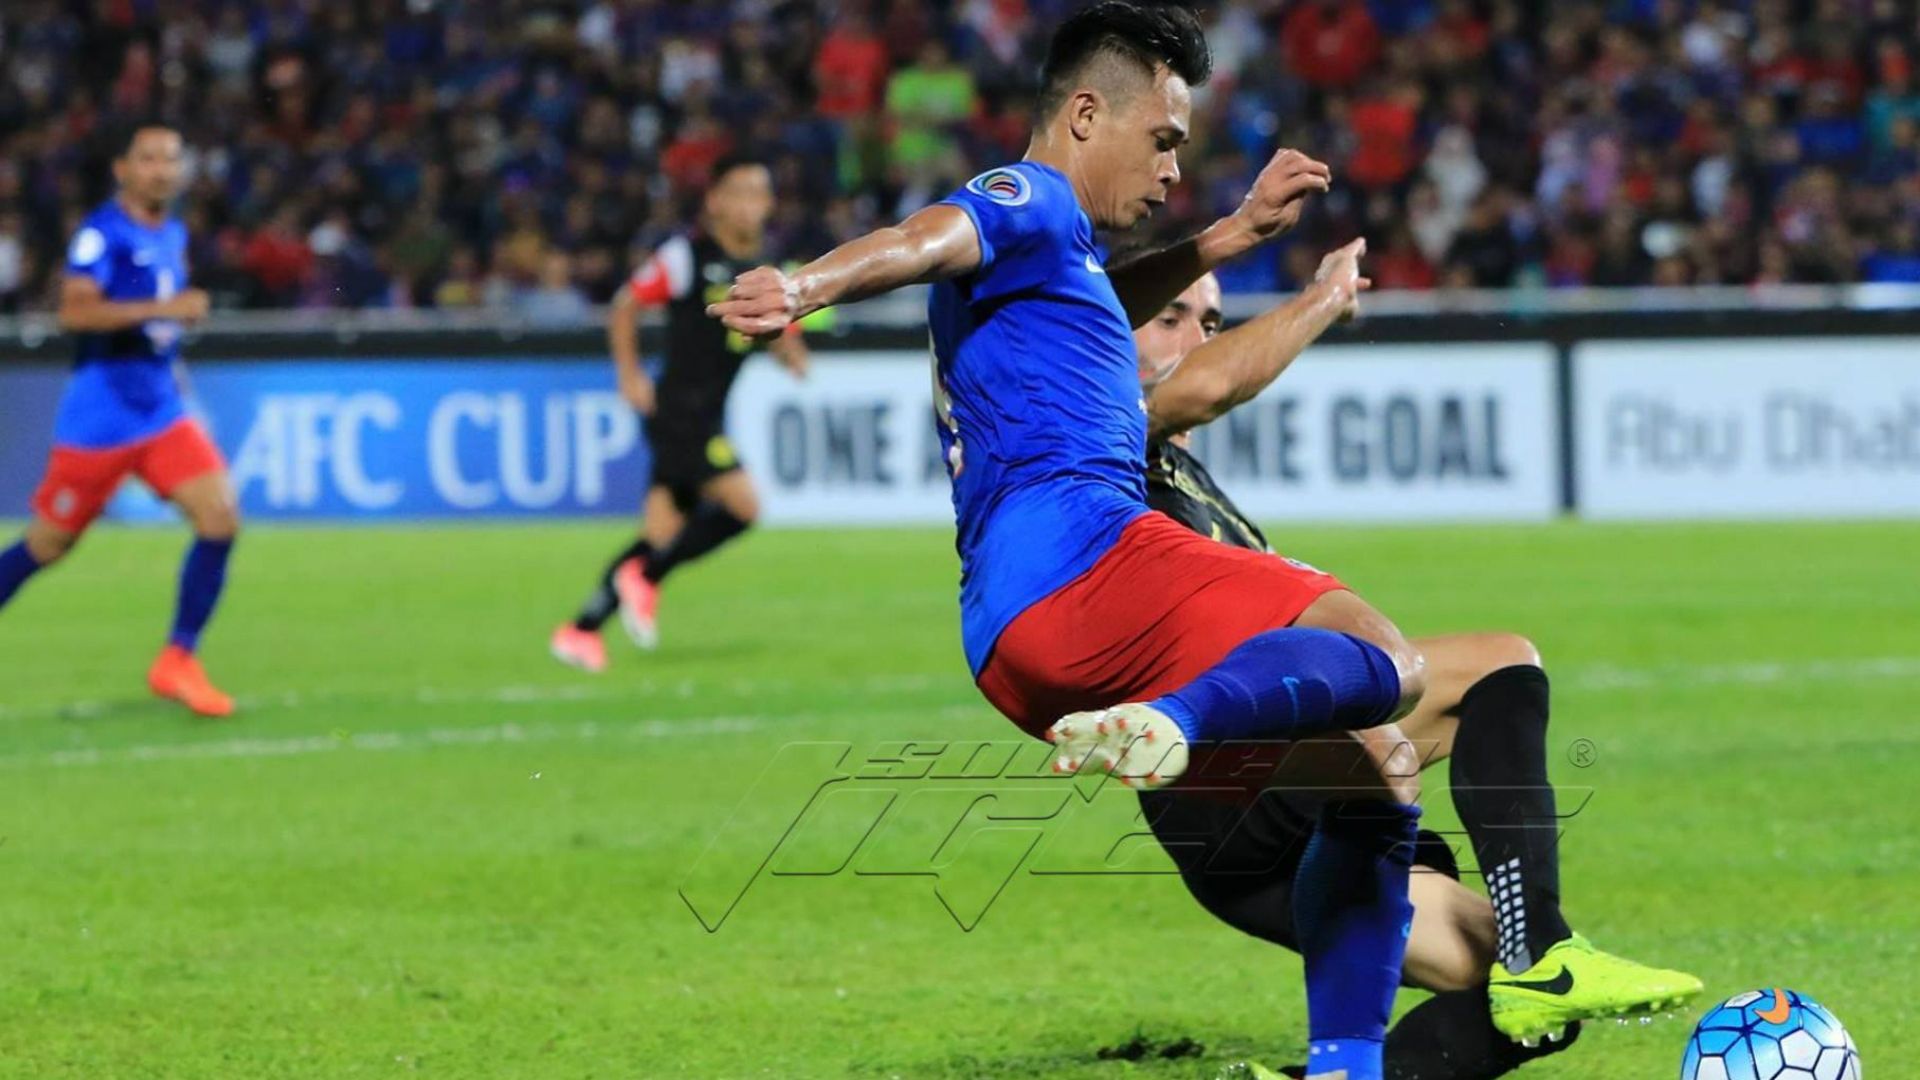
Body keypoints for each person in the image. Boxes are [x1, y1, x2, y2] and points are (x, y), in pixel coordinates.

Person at [715, 6, 1429, 1078]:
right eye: (1166, 140)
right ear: (1087, 112)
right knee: (1391, 659)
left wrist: (1233, 236)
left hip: (1016, 634)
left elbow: (1096, 293)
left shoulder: (1062, 254)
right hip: (1090, 564)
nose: (1174, 169)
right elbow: (933, 234)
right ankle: (1174, 725)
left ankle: (1346, 1067)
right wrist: (806, 287)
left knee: (1377, 769)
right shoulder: (1028, 196)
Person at [1132, 267, 1703, 1078]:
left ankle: (1523, 968)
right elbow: (1207, 387)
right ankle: (1543, 949)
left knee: (1525, 1009)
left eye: (1214, 320)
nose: (1198, 338)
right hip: (1236, 777)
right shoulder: (1099, 438)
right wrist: (1324, 297)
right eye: (1168, 317)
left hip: (1256, 840)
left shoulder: (1190, 480)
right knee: (1500, 665)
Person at [0, 121, 238, 718]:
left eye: (171, 159)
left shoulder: (173, 232)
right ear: (124, 170)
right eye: (148, 158)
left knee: (219, 516)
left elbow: (160, 329)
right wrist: (167, 309)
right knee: (47, 545)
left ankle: (177, 660)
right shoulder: (100, 235)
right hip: (99, 421)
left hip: (159, 411)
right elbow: (76, 314)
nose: (161, 169)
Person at [551, 153, 808, 671]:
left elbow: (778, 328)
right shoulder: (686, 255)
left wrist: (788, 351)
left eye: (761, 194)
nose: (752, 205)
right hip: (680, 412)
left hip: (707, 410)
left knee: (661, 535)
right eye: (741, 193)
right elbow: (626, 304)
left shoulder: (764, 266)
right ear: (715, 201)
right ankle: (646, 577)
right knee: (743, 506)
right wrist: (628, 373)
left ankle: (580, 631)